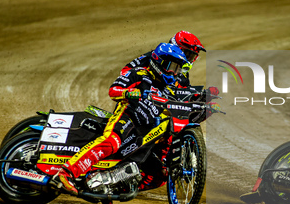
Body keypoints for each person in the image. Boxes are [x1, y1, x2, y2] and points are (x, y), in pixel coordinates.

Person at [52, 42, 191, 195]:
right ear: (160, 62)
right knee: (112, 142)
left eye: (177, 69)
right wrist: (129, 93)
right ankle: (66, 172)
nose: (175, 72)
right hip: (127, 117)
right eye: (172, 66)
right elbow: (113, 90)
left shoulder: (168, 90)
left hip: (145, 131)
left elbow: (186, 99)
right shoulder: (139, 74)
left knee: (159, 175)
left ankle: (109, 187)